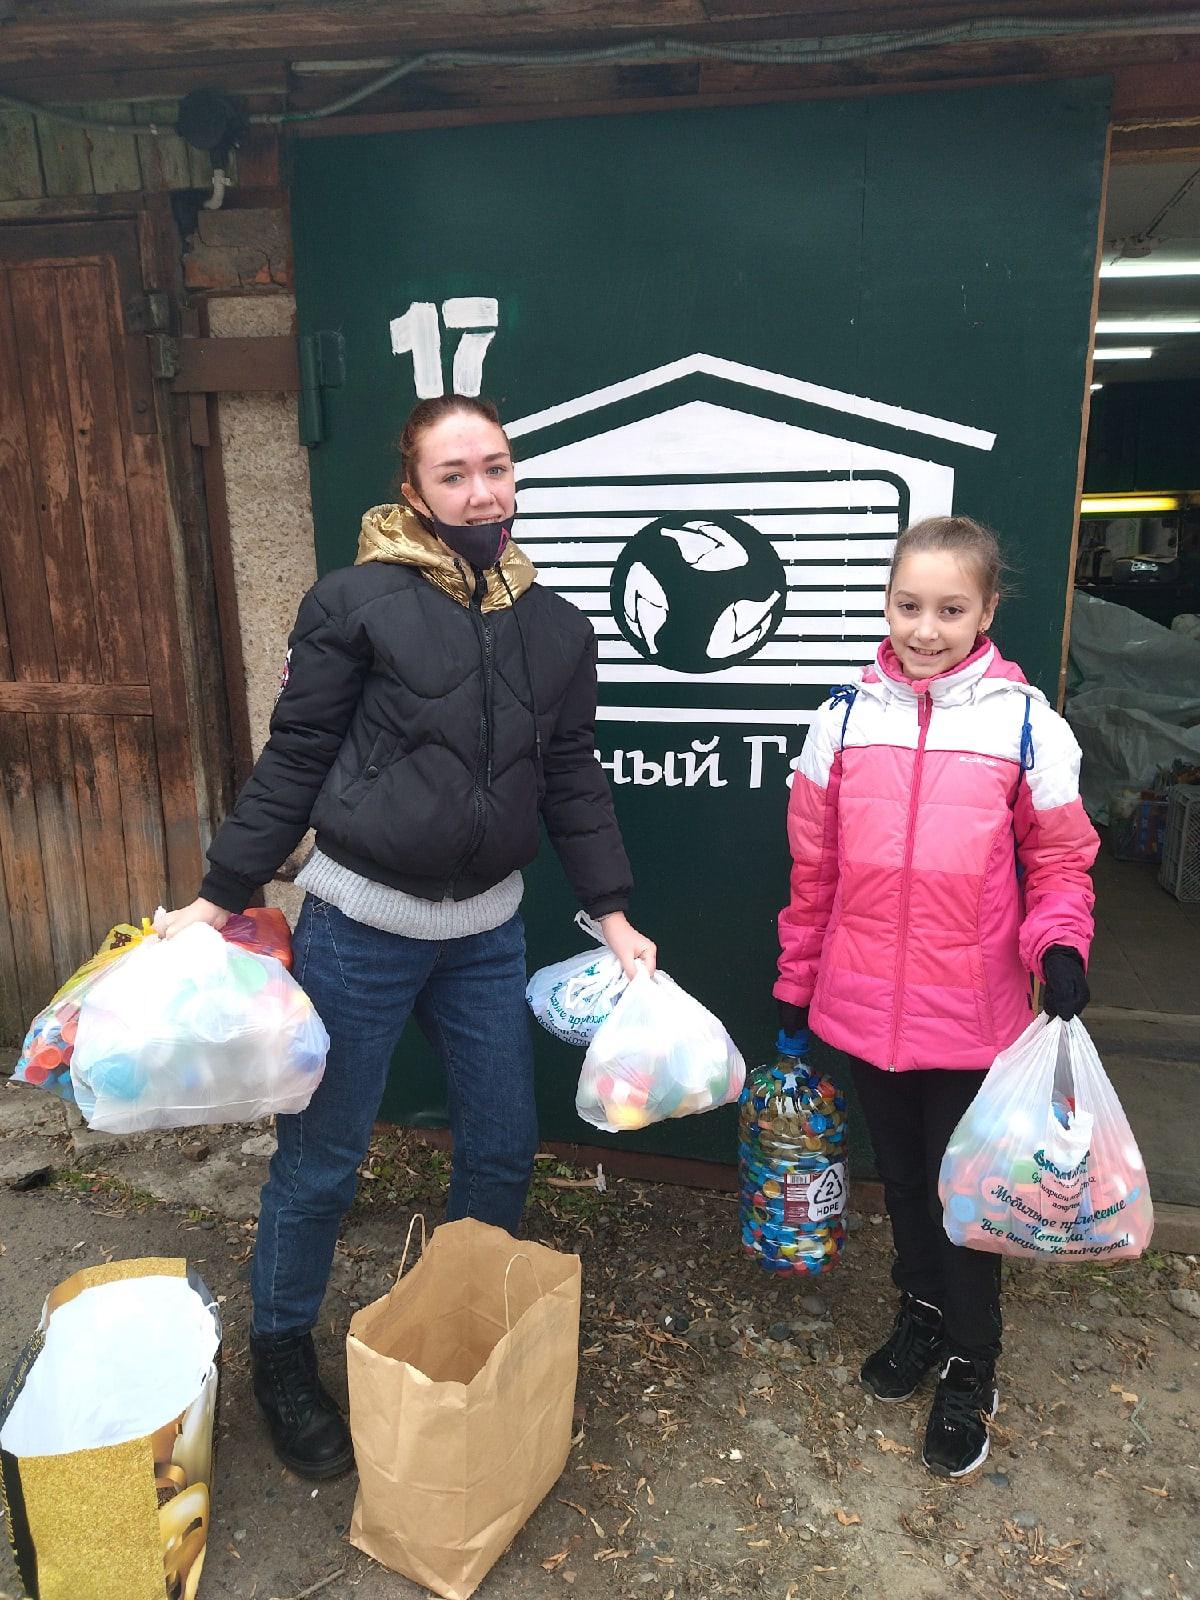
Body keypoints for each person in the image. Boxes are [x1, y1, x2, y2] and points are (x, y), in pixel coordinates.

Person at [160, 395, 655, 1479]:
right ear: (413, 489)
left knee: (501, 1144)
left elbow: (572, 777)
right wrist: (220, 893)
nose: (482, 492)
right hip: (361, 928)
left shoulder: (556, 626)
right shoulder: (354, 603)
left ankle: (463, 1327)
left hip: (486, 935)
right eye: (455, 474)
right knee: (324, 1156)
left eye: (496, 468)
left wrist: (613, 915)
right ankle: (281, 1350)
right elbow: (297, 756)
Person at [774, 515, 1097, 1479]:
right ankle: (920, 1310)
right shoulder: (841, 720)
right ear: (886, 603)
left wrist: (1061, 947)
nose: (926, 629)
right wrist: (796, 981)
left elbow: (1061, 864)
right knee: (906, 1182)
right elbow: (813, 873)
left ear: (987, 611)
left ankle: (971, 1361)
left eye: (951, 610)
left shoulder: (1028, 726)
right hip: (862, 1007)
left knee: (968, 1195)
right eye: (908, 605)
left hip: (971, 1016)